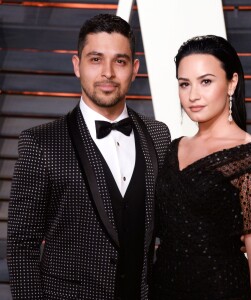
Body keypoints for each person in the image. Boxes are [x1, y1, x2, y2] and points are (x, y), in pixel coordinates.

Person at [7, 13, 170, 300]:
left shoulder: (158, 135)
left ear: (134, 69)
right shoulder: (40, 142)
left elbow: (169, 223)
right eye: (95, 59)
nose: (108, 72)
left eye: (119, 61)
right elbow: (22, 245)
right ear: (77, 66)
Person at [151, 35, 251, 300]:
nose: (193, 95)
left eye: (206, 82)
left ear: (231, 83)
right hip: (161, 289)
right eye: (184, 84)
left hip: (222, 290)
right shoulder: (172, 148)